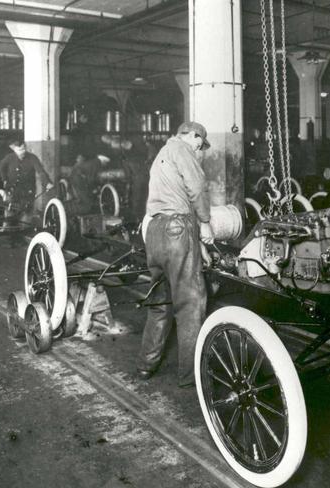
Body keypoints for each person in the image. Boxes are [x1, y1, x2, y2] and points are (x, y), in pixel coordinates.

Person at [136, 121, 214, 387]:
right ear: (191, 135)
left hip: (155, 232)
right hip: (177, 229)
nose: (199, 150)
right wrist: (205, 223)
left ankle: (146, 364)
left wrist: (196, 244)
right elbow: (197, 187)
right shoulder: (183, 150)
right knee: (190, 303)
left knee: (160, 302)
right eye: (200, 144)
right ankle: (191, 376)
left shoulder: (161, 154)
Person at [0, 139, 53, 226]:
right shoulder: (9, 158)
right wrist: (4, 179)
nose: (22, 152)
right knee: (9, 219)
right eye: (19, 150)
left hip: (27, 193)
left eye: (24, 149)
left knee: (26, 220)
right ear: (14, 149)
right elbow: (1, 166)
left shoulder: (32, 158)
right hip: (12, 192)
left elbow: (40, 171)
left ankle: (24, 233)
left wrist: (47, 183)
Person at [67, 150, 110, 215]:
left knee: (82, 199)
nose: (105, 165)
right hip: (78, 179)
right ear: (103, 161)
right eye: (106, 163)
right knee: (86, 203)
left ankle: (69, 209)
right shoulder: (97, 164)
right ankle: (68, 210)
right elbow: (91, 178)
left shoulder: (93, 162)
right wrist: (94, 189)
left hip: (76, 178)